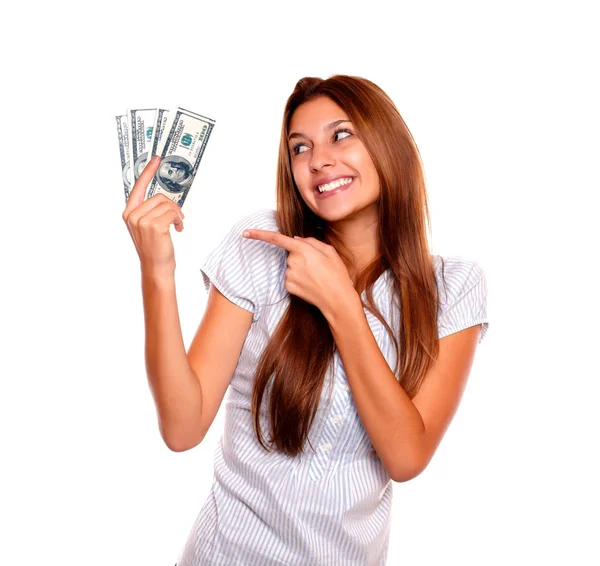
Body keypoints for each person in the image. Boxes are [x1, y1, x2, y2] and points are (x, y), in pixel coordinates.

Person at [122, 74, 490, 565]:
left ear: (388, 143)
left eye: (341, 135)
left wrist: (341, 303)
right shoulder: (260, 245)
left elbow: (407, 457)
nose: (317, 160)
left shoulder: (453, 287)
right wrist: (157, 271)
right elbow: (182, 427)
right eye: (299, 148)